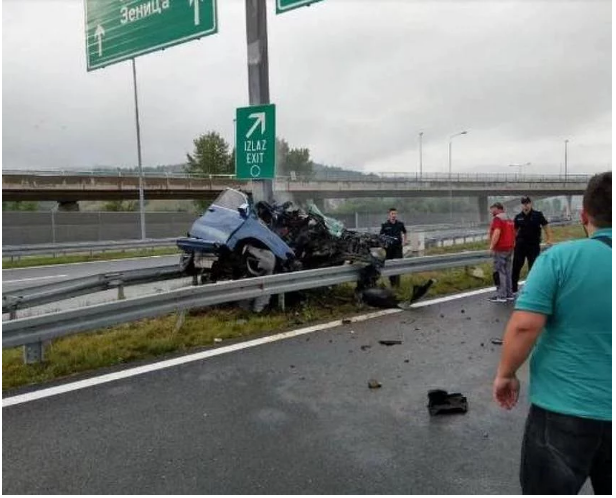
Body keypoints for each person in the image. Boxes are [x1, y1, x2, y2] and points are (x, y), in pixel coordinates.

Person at [493, 171, 612, 495]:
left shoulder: (559, 259)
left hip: (564, 410)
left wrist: (506, 374)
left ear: (584, 215)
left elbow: (525, 325)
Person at [511, 196, 553, 294]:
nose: (525, 205)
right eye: (524, 204)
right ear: (521, 205)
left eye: (527, 203)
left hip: (533, 245)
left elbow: (546, 226)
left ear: (531, 204)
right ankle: (513, 289)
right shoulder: (518, 217)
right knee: (516, 266)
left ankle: (532, 288)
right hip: (520, 246)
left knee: (533, 267)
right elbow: (514, 231)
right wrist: (512, 242)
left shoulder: (537, 215)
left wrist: (549, 239)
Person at [488, 202, 515, 303]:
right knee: (508, 271)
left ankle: (501, 296)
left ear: (498, 208)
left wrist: (491, 246)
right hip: (510, 248)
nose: (491, 211)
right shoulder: (509, 218)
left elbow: (497, 232)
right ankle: (509, 294)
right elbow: (514, 232)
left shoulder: (497, 218)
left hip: (500, 248)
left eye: (492, 209)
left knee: (500, 272)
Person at [380, 208, 407, 287]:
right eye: (392, 214)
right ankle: (392, 284)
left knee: (397, 265)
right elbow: (381, 236)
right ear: (389, 215)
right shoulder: (385, 225)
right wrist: (383, 245)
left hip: (398, 248)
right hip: (389, 249)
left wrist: (405, 241)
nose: (394, 215)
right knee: (390, 266)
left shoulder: (400, 224)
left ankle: (397, 285)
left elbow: (405, 232)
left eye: (395, 214)